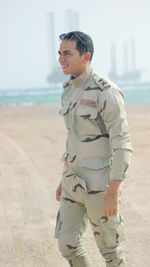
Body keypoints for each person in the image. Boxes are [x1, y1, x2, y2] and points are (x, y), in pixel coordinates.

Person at [55, 31, 133, 267]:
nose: (61, 59)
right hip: (73, 181)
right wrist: (64, 177)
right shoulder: (68, 89)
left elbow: (122, 144)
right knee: (67, 244)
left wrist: (113, 192)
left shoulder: (106, 92)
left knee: (111, 253)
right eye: (59, 53)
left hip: (99, 186)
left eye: (67, 53)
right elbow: (74, 139)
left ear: (85, 56)